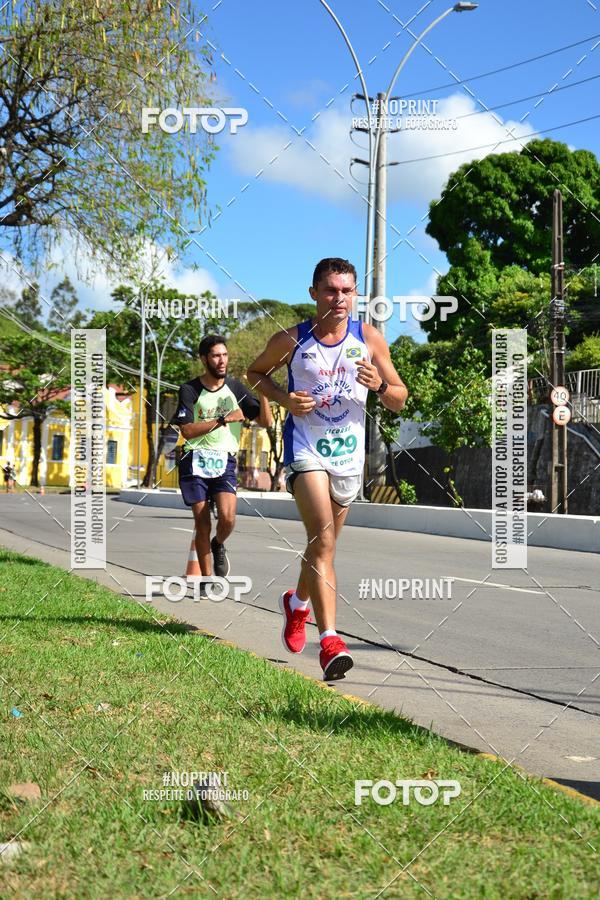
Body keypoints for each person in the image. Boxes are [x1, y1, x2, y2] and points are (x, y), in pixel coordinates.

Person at [247, 258, 408, 680]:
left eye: (348, 291)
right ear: (314, 293)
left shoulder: (369, 338)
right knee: (321, 539)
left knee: (324, 546)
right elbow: (254, 373)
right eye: (332, 290)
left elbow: (399, 398)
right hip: (306, 451)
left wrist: (381, 386)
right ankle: (331, 640)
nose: (341, 299)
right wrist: (284, 400)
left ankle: (297, 604)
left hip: (348, 457)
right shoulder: (292, 340)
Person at [175, 334, 272, 579]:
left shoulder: (236, 388)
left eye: (225, 355)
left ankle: (218, 543)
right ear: (204, 359)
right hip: (194, 459)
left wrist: (263, 392)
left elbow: (265, 421)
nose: (222, 361)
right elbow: (186, 431)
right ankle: (207, 581)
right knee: (202, 522)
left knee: (228, 518)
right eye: (216, 356)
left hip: (224, 460)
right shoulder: (190, 389)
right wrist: (222, 420)